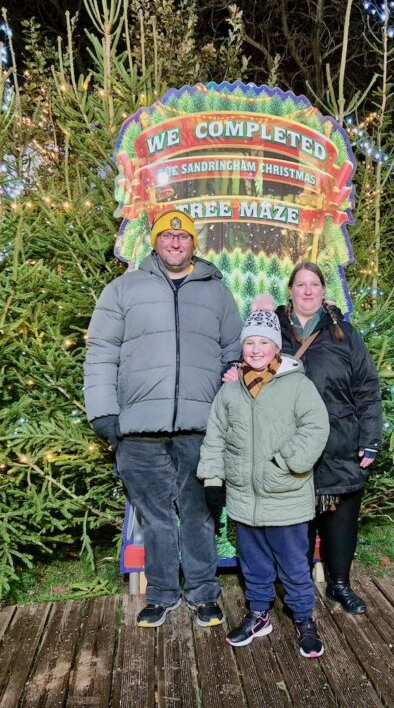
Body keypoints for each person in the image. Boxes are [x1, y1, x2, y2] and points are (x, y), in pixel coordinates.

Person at [84, 209, 243, 628]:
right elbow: (101, 352)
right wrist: (103, 411)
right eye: (167, 236)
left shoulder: (217, 292)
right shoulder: (123, 289)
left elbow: (234, 351)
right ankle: (161, 594)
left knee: (199, 515)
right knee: (154, 518)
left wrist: (228, 389)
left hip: (201, 428)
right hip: (139, 430)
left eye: (183, 237)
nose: (175, 243)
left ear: (194, 243)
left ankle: (205, 594)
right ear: (155, 241)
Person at [198, 297, 331, 657]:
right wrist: (212, 479)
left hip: (285, 496)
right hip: (244, 499)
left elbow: (316, 427)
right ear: (243, 348)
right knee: (253, 565)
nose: (256, 349)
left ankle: (303, 618)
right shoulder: (229, 391)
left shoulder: (296, 385)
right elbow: (216, 438)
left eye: (263, 342)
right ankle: (259, 615)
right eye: (250, 343)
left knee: (293, 565)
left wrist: (286, 463)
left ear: (276, 347)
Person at [277, 261, 383, 614]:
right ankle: (299, 589)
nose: (307, 290)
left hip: (339, 442)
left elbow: (367, 388)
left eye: (314, 285)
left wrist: (370, 438)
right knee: (296, 525)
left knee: (340, 523)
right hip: (290, 444)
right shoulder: (274, 331)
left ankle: (339, 585)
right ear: (290, 291)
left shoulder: (344, 333)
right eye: (300, 284)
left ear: (324, 292)